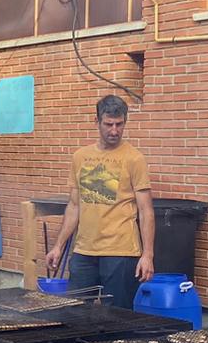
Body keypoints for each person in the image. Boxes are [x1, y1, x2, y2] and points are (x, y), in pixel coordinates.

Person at [43, 95, 154, 310]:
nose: (114, 131)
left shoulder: (134, 159)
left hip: (121, 252)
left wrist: (147, 255)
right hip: (84, 251)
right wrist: (58, 246)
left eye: (119, 124)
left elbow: (146, 210)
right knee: (75, 311)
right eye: (108, 124)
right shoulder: (80, 157)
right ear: (97, 121)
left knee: (117, 316)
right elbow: (74, 206)